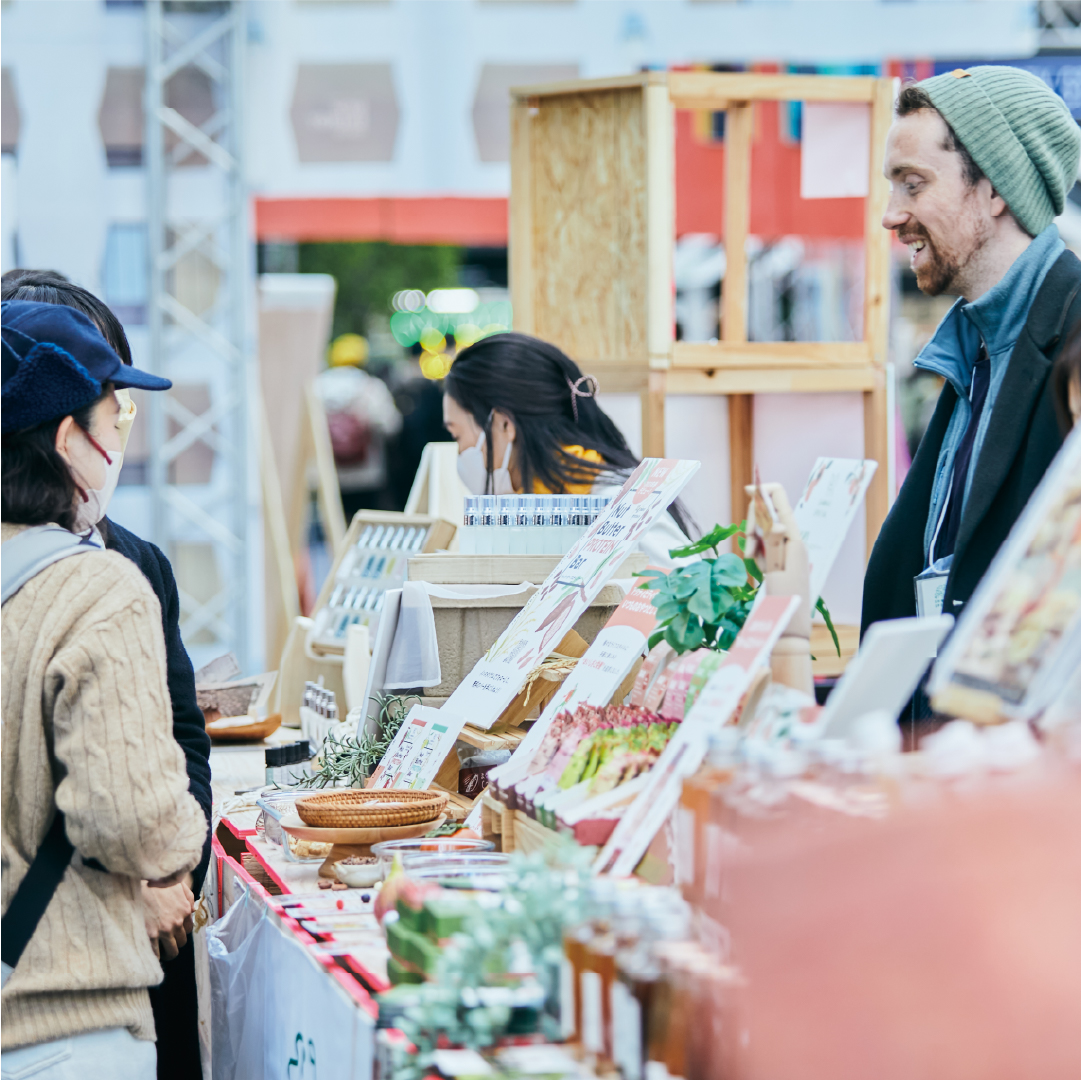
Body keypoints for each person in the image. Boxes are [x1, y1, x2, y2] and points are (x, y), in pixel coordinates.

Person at [1, 269, 212, 1079]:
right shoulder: (95, 588)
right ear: (66, 435)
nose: (122, 434)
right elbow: (129, 813)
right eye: (112, 412)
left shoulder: (133, 563)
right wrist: (166, 857)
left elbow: (183, 726)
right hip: (61, 1008)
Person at [862, 68, 1081, 653]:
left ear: (995, 188)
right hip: (953, 736)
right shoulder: (974, 345)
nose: (890, 214)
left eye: (913, 184)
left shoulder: (1075, 336)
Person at [442, 332, 692, 564]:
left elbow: (692, 601)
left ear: (504, 424)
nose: (460, 452)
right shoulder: (534, 510)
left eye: (457, 436)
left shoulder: (615, 507)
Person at [316, 331, 402, 518]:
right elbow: (391, 426)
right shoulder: (371, 386)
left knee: (333, 530)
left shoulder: (317, 387)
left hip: (328, 472)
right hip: (367, 475)